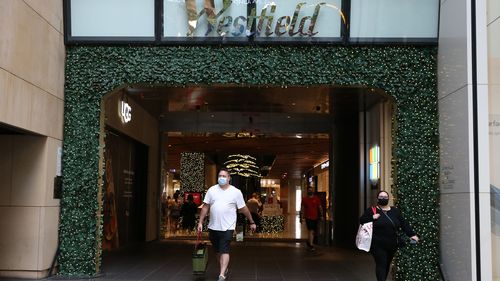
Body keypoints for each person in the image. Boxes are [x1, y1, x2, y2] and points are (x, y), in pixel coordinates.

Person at [197, 168, 257, 281]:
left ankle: (221, 275)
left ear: (229, 178)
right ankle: (224, 268)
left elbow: (244, 208)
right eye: (220, 176)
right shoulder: (212, 190)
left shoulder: (235, 192)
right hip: (213, 226)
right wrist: (200, 222)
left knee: (224, 249)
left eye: (224, 176)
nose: (221, 178)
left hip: (228, 227)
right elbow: (205, 207)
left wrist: (251, 221)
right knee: (217, 251)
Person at [359, 190, 419, 281]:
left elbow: (403, 224)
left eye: (385, 197)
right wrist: (372, 217)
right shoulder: (372, 210)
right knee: (381, 263)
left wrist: (412, 234)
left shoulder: (395, 211)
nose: (383, 199)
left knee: (386, 264)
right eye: (381, 197)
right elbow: (362, 220)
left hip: (392, 244)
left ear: (389, 198)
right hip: (377, 244)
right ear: (377, 199)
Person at [300, 187, 323, 251]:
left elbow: (320, 207)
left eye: (311, 190)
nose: (310, 191)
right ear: (307, 191)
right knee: (311, 230)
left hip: (315, 217)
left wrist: (321, 215)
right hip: (308, 217)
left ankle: (309, 242)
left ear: (313, 191)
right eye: (309, 190)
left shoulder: (316, 198)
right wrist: (301, 217)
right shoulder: (304, 199)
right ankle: (311, 245)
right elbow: (302, 209)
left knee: (312, 231)